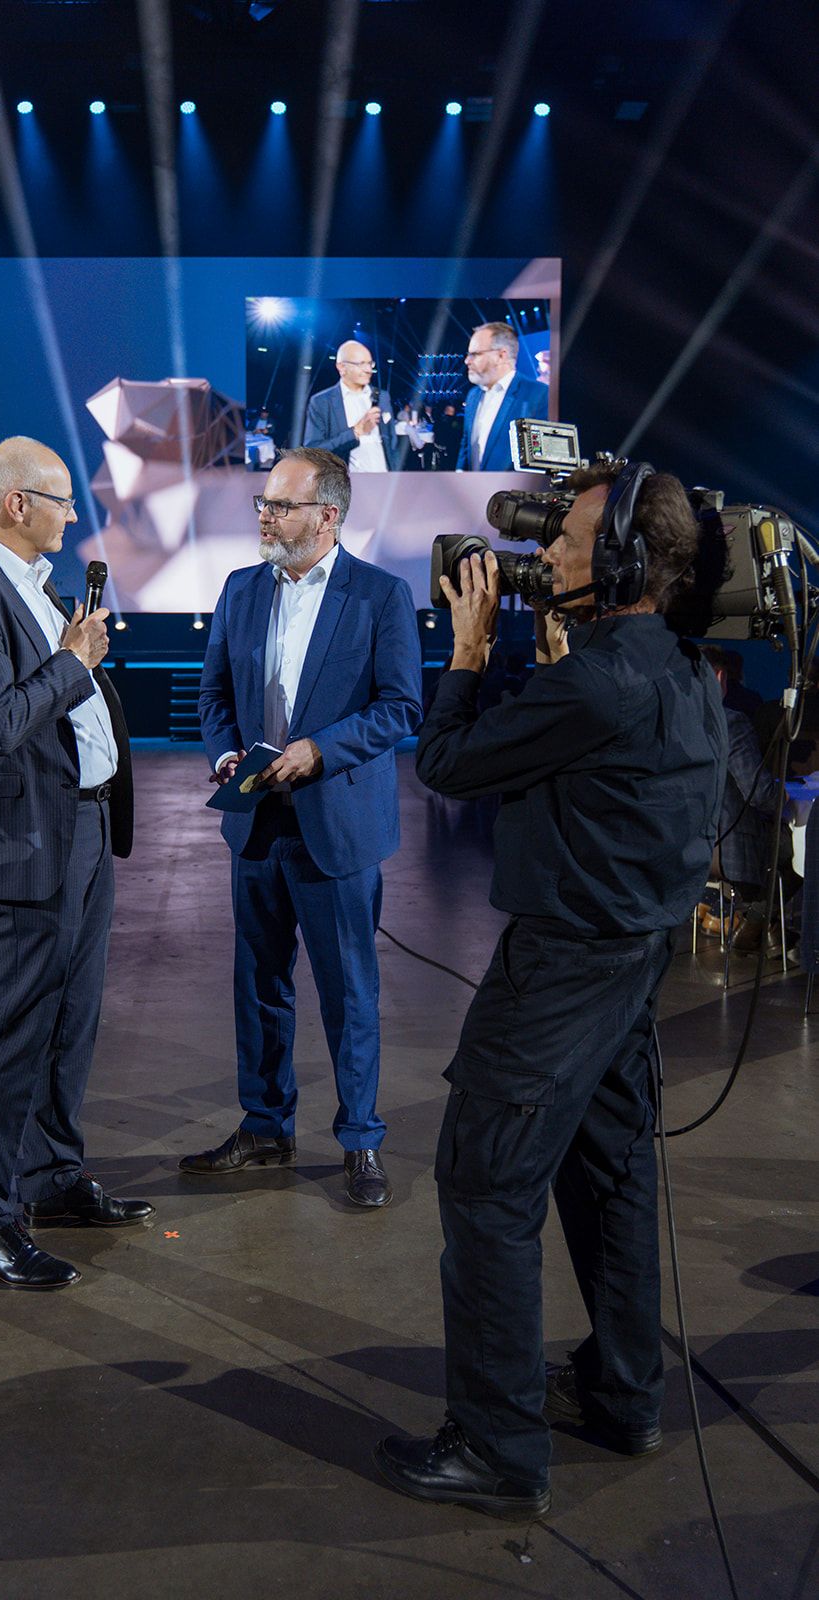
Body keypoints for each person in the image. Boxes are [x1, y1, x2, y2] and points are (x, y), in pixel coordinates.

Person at [375, 462, 727, 1518]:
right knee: (608, 1173)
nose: (545, 557)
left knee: (484, 1184)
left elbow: (445, 762)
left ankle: (494, 1446)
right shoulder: (674, 669)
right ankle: (623, 1394)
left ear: (620, 560)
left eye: (566, 539)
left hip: (560, 971)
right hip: (629, 964)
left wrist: (468, 652)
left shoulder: (594, 683)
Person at [0, 435, 151, 1292]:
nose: (71, 514)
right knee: (18, 1029)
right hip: (23, 842)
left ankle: (52, 1179)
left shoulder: (34, 583)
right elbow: (1, 722)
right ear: (16, 503)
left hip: (82, 829)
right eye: (60, 499)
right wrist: (74, 660)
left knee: (73, 1018)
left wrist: (73, 657)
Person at [182, 447, 423, 1206]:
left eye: (279, 506)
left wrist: (322, 750)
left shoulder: (379, 595)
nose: (263, 515)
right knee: (258, 986)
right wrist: (224, 753)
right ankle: (263, 1127)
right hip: (255, 821)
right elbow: (213, 691)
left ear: (327, 515)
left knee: (349, 991)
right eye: (262, 502)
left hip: (337, 827)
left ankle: (361, 1142)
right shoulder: (240, 589)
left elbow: (400, 707)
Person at [699, 644, 800, 954]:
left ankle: (765, 926)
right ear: (719, 677)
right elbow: (760, 796)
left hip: (691, 848)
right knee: (798, 849)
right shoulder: (730, 723)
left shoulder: (672, 722)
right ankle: (761, 921)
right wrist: (781, 793)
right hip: (730, 847)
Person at [454, 322, 548, 472]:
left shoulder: (540, 395)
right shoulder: (473, 396)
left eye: (475, 354)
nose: (467, 361)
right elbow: (466, 445)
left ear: (501, 355)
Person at [303, 341, 398, 471]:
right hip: (345, 484)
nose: (368, 370)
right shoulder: (322, 402)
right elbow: (313, 453)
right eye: (361, 364)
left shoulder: (382, 397)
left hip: (385, 482)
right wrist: (356, 432)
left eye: (370, 363)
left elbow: (391, 441)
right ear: (341, 367)